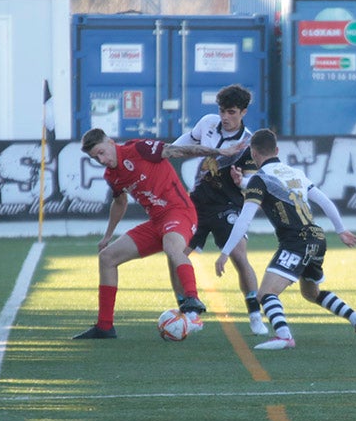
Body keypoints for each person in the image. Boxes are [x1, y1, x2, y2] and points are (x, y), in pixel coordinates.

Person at [73, 129, 245, 340]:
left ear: (110, 142)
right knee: (107, 257)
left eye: (101, 152)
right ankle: (104, 326)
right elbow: (120, 202)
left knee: (172, 247)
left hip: (180, 212)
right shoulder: (112, 175)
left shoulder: (138, 149)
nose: (101, 160)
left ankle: (192, 300)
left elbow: (179, 151)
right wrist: (107, 236)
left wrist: (218, 151)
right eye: (95, 158)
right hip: (157, 222)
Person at [214, 129, 356, 350]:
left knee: (266, 293)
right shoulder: (295, 174)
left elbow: (245, 218)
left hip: (296, 241)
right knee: (311, 293)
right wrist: (341, 230)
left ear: (252, 153)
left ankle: (284, 336)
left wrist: (225, 252)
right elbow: (324, 201)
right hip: (317, 238)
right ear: (277, 150)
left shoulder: (259, 180)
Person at [170, 84, 268, 335]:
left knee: (238, 256)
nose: (225, 117)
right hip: (198, 204)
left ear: (244, 112)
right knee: (176, 254)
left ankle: (255, 314)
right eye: (222, 111)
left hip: (228, 206)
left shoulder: (249, 143)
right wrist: (166, 152)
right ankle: (188, 311)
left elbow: (253, 182)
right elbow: (179, 147)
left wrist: (240, 181)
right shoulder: (207, 123)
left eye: (231, 112)